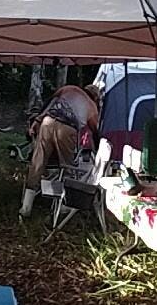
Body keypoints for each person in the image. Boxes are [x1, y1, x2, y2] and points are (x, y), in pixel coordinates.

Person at [19, 83, 101, 217]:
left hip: (47, 122)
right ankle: (63, 206)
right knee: (67, 166)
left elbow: (49, 102)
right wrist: (98, 150)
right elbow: (95, 132)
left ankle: (26, 207)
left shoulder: (69, 88)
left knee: (38, 162)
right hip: (67, 129)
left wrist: (38, 120)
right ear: (96, 98)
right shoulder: (92, 106)